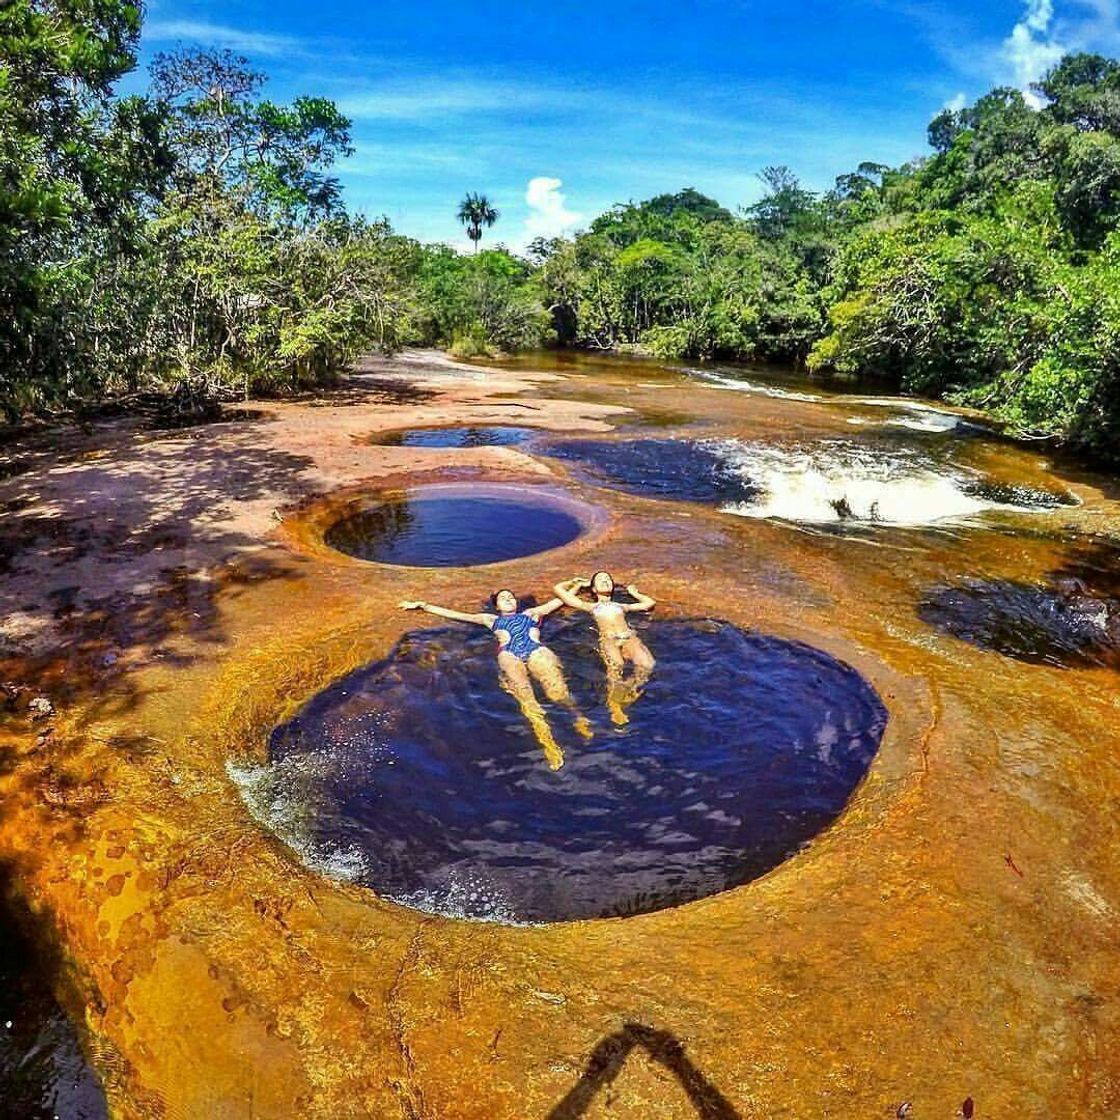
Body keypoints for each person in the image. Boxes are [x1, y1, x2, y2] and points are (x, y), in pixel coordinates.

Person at [399, 589, 591, 770]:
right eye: (503, 598)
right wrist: (423, 605)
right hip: (509, 654)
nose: (508, 599)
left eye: (511, 597)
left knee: (558, 691)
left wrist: (577, 586)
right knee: (527, 699)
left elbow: (558, 600)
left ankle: (577, 716)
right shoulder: (489, 619)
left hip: (536, 649)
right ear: (497, 606)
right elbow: (456, 615)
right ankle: (548, 742)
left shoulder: (531, 613)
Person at [553, 571, 656, 727]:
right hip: (608, 639)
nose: (606, 581)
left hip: (628, 636)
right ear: (593, 589)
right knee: (616, 666)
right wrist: (577, 583)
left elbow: (649, 603)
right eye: (601, 580)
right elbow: (559, 590)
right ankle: (614, 705)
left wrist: (635, 593)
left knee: (648, 664)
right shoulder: (590, 606)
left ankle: (630, 687)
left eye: (608, 579)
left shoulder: (621, 605)